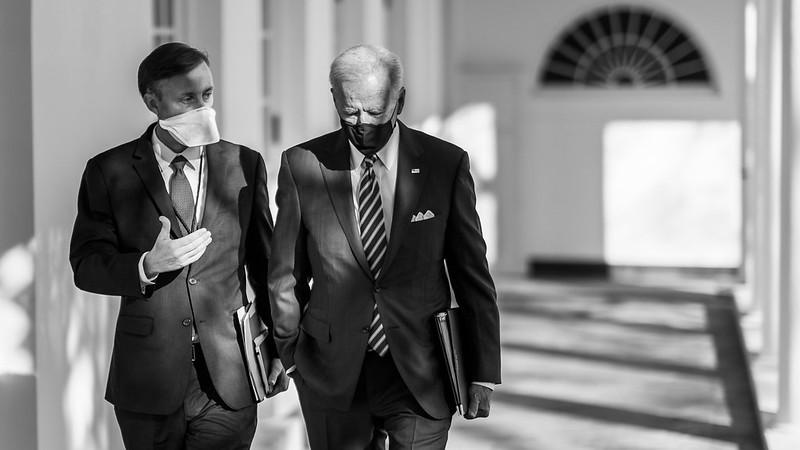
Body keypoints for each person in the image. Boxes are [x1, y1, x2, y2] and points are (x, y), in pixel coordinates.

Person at [268, 44, 501, 449]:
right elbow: (285, 275)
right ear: (335, 101)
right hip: (331, 373)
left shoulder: (444, 164)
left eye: (376, 111)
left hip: (421, 369)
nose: (362, 123)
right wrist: (292, 357)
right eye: (350, 111)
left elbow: (471, 274)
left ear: (400, 100)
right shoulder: (302, 164)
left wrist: (482, 371)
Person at [69, 42, 288, 449]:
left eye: (207, 95)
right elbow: (85, 264)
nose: (202, 108)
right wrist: (146, 265)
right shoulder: (108, 171)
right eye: (187, 98)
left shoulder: (245, 163)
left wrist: (277, 347)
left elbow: (266, 264)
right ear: (153, 102)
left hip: (230, 376)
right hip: (147, 381)